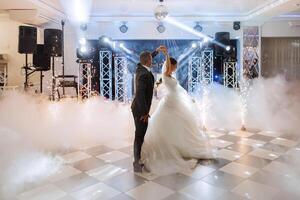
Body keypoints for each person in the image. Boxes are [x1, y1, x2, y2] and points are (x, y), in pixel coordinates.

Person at [141, 47, 214, 175]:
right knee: (170, 126)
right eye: (174, 66)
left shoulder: (171, 77)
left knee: (181, 125)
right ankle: (171, 149)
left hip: (176, 101)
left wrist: (189, 98)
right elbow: (168, 67)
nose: (175, 68)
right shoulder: (165, 74)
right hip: (170, 103)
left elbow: (179, 89)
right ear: (171, 65)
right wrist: (166, 54)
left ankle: (181, 147)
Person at [131, 46, 165, 172]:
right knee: (139, 135)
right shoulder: (144, 74)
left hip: (138, 107)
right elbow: (139, 94)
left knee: (140, 135)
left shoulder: (140, 67)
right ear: (148, 61)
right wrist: (145, 113)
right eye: (151, 59)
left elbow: (145, 58)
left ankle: (139, 158)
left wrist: (156, 51)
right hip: (140, 110)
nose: (152, 61)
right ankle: (136, 162)